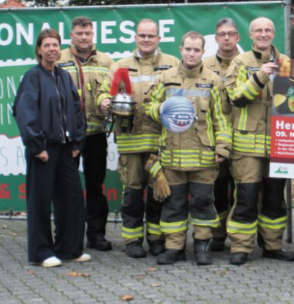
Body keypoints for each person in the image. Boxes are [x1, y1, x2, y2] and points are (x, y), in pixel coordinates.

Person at [147, 31, 231, 265]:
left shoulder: (213, 80)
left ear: (203, 52)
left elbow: (220, 119)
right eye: (188, 49)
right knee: (174, 204)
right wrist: (163, 108)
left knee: (203, 202)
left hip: (203, 156)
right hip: (172, 155)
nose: (192, 53)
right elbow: (149, 108)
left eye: (196, 50)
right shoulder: (166, 78)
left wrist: (222, 148)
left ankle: (202, 246)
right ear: (180, 49)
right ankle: (174, 248)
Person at [98, 19, 180, 259]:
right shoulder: (120, 65)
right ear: (135, 38)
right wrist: (103, 101)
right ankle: (132, 240)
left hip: (160, 142)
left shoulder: (172, 63)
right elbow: (105, 90)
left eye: (150, 36)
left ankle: (156, 239)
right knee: (133, 194)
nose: (146, 39)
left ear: (158, 39)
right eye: (142, 35)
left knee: (159, 193)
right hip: (131, 143)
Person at [13, 29, 90, 268]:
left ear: (61, 48)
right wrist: (37, 146)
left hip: (66, 149)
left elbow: (77, 110)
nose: (52, 49)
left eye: (55, 45)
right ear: (39, 50)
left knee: (73, 198)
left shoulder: (64, 76)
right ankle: (41, 252)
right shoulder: (32, 77)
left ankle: (69, 248)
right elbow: (25, 113)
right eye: (46, 45)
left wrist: (77, 142)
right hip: (43, 149)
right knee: (41, 201)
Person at [224, 16, 294, 265]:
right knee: (246, 197)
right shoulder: (240, 62)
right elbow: (236, 97)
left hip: (279, 144)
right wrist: (260, 77)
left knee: (276, 199)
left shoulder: (287, 63)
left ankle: (273, 246)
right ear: (251, 35)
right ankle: (241, 248)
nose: (263, 34)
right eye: (258, 30)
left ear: (273, 34)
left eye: (268, 30)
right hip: (247, 147)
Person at [56, 16, 115, 252]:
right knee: (66, 189)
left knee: (95, 187)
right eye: (79, 33)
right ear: (71, 34)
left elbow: (110, 89)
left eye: (88, 33)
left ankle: (96, 235)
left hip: (95, 135)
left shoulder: (106, 61)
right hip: (66, 137)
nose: (84, 37)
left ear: (93, 35)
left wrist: (106, 102)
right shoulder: (58, 59)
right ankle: (67, 235)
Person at [202, 18, 240, 252]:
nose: (226, 38)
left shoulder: (247, 63)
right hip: (215, 138)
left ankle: (240, 236)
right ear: (216, 39)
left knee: (243, 190)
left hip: (244, 136)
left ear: (238, 37)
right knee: (217, 188)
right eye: (222, 34)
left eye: (231, 34)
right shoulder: (204, 66)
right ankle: (218, 234)